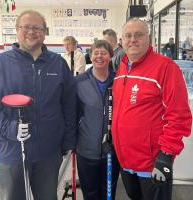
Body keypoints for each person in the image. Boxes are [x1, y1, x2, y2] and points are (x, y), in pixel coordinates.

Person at [0, 10, 77, 200]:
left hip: (48, 152)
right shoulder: (0, 64)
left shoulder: (58, 64)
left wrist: (69, 140)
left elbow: (69, 105)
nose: (32, 32)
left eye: (37, 28)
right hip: (11, 151)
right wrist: (8, 128)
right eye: (26, 27)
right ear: (17, 30)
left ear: (44, 32)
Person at [112, 18, 192, 200]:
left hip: (152, 162)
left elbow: (179, 116)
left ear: (149, 38)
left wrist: (166, 155)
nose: (132, 39)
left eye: (138, 35)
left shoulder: (166, 67)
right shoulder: (122, 67)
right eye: (128, 36)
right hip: (126, 159)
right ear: (121, 41)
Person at [76, 40, 120, 200]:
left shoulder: (119, 81)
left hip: (113, 151)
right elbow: (73, 115)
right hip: (87, 151)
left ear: (110, 56)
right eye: (96, 53)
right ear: (90, 56)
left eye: (103, 53)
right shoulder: (79, 82)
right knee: (91, 194)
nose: (99, 56)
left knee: (109, 192)